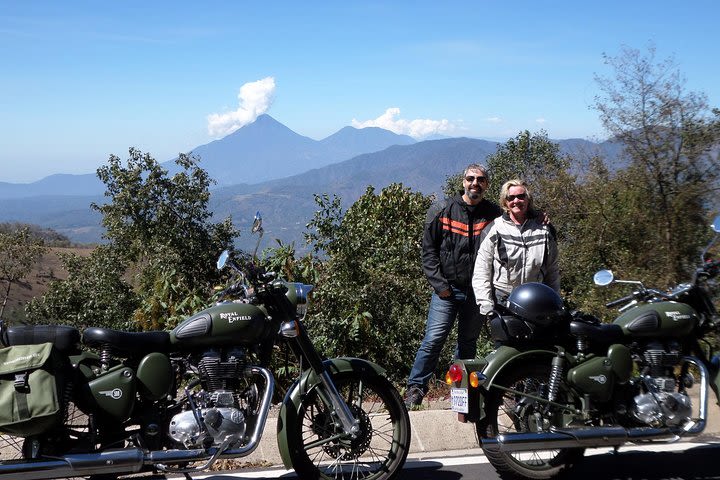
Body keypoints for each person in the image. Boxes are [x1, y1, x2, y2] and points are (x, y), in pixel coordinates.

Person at [405, 163, 502, 408]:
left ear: (486, 185)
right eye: (471, 179)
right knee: (433, 340)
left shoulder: (494, 215)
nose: (475, 184)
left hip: (477, 292)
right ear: (463, 182)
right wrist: (441, 287)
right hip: (447, 290)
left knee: (467, 344)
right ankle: (415, 388)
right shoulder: (443, 210)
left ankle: (460, 394)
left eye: (480, 180)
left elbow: (520, 214)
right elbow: (429, 252)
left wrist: (540, 216)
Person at [472, 179, 559, 317]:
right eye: (511, 197)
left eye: (521, 196)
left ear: (528, 199)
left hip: (536, 300)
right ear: (505, 202)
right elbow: (482, 270)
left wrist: (555, 301)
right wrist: (486, 304)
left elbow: (552, 270)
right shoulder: (495, 229)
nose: (516, 201)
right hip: (503, 300)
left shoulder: (544, 229)